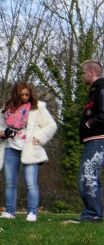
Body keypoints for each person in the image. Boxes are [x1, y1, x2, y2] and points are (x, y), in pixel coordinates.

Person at [0, 82, 57, 221]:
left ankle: (32, 212)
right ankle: (10, 212)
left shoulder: (37, 108)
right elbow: (1, 126)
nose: (25, 97)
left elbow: (51, 125)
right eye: (22, 95)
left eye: (27, 94)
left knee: (31, 183)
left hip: (30, 149)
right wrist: (2, 133)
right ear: (16, 95)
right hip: (10, 148)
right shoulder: (6, 110)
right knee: (10, 183)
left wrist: (39, 137)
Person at [74, 59, 104, 222]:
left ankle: (93, 214)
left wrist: (89, 123)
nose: (82, 76)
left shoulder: (102, 88)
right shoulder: (96, 89)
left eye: (83, 73)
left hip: (99, 140)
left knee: (88, 175)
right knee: (88, 176)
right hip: (93, 140)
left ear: (92, 72)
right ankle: (93, 213)